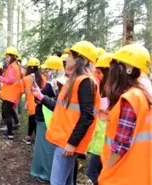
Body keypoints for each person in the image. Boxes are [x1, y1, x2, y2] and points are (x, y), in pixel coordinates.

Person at [44, 41, 101, 185]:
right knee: (67, 181)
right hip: (65, 139)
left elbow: (87, 116)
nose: (67, 58)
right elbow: (62, 108)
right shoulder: (74, 81)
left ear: (80, 60)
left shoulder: (85, 82)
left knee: (57, 182)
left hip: (67, 142)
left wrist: (72, 143)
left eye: (71, 55)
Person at [98, 44, 152, 185]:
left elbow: (120, 146)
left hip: (121, 174)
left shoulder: (130, 99)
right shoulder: (143, 96)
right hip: (138, 172)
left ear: (125, 70)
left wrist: (106, 171)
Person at [30, 56, 64, 183]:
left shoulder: (51, 84)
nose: (46, 72)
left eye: (48, 69)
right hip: (53, 119)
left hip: (45, 119)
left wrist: (38, 94)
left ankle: (45, 174)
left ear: (54, 70)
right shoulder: (63, 83)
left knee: (45, 149)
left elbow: (38, 98)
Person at [85, 53, 112, 185]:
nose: (96, 76)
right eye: (95, 72)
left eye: (99, 73)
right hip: (98, 141)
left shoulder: (115, 94)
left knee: (92, 172)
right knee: (99, 172)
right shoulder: (99, 90)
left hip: (105, 143)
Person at [0, 47, 23, 140]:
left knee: (7, 113)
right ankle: (11, 129)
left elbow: (10, 80)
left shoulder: (12, 67)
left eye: (8, 57)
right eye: (6, 57)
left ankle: (10, 134)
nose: (6, 58)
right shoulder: (15, 66)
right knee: (8, 111)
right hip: (11, 93)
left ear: (13, 57)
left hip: (10, 94)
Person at [22, 57, 41, 145]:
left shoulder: (26, 79)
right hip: (40, 103)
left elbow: (23, 91)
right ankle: (37, 139)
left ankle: (29, 137)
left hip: (31, 104)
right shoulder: (43, 77)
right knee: (38, 122)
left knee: (32, 120)